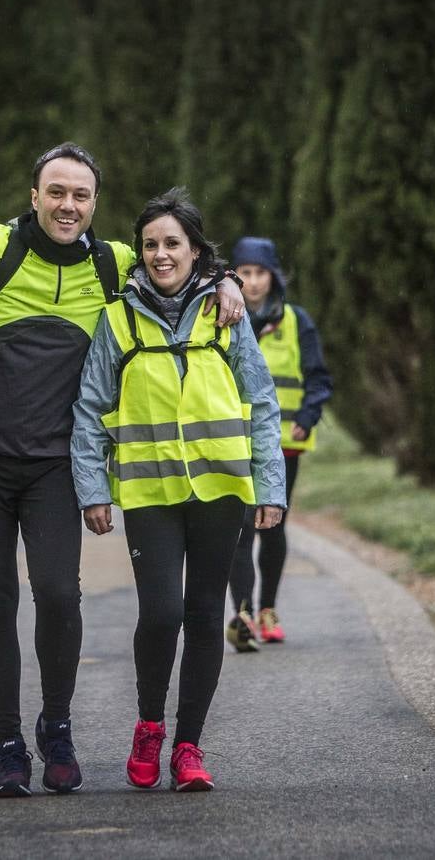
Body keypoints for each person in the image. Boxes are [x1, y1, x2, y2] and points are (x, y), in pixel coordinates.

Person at [0, 142, 245, 797]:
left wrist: (228, 281)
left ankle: (58, 726)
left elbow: (180, 265)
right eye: (56, 192)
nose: (67, 205)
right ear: (34, 195)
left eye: (81, 195)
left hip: (54, 464)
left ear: (95, 203)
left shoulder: (113, 263)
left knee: (60, 595)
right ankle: (9, 748)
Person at [72, 188, 285, 792]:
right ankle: (148, 726)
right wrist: (93, 489)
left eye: (173, 244)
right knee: (161, 614)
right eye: (150, 245)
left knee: (202, 614)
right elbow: (90, 409)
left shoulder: (228, 312)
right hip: (150, 495)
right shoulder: (117, 318)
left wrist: (270, 485)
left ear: (196, 252)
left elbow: (262, 402)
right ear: (138, 253)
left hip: (221, 491)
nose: (161, 255)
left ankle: (188, 746)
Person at [225, 237, 332, 650]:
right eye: (246, 273)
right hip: (234, 441)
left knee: (273, 526)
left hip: (284, 444)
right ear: (235, 275)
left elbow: (318, 377)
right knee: (240, 530)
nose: (253, 282)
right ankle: (244, 613)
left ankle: (268, 608)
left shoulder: (295, 321)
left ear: (273, 277)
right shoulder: (223, 316)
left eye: (260, 273)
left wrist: (308, 417)